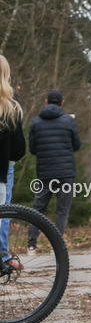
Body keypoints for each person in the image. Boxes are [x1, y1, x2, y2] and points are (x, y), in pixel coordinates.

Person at [27, 89, 81, 253]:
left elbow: (33, 149)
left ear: (46, 102)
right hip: (66, 174)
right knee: (62, 211)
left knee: (38, 209)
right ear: (62, 103)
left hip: (45, 173)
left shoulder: (36, 122)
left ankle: (31, 245)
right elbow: (77, 145)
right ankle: (55, 247)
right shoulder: (69, 121)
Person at [0, 56, 25, 271]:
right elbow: (19, 150)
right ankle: (3, 256)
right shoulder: (11, 103)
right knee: (3, 213)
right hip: (3, 167)